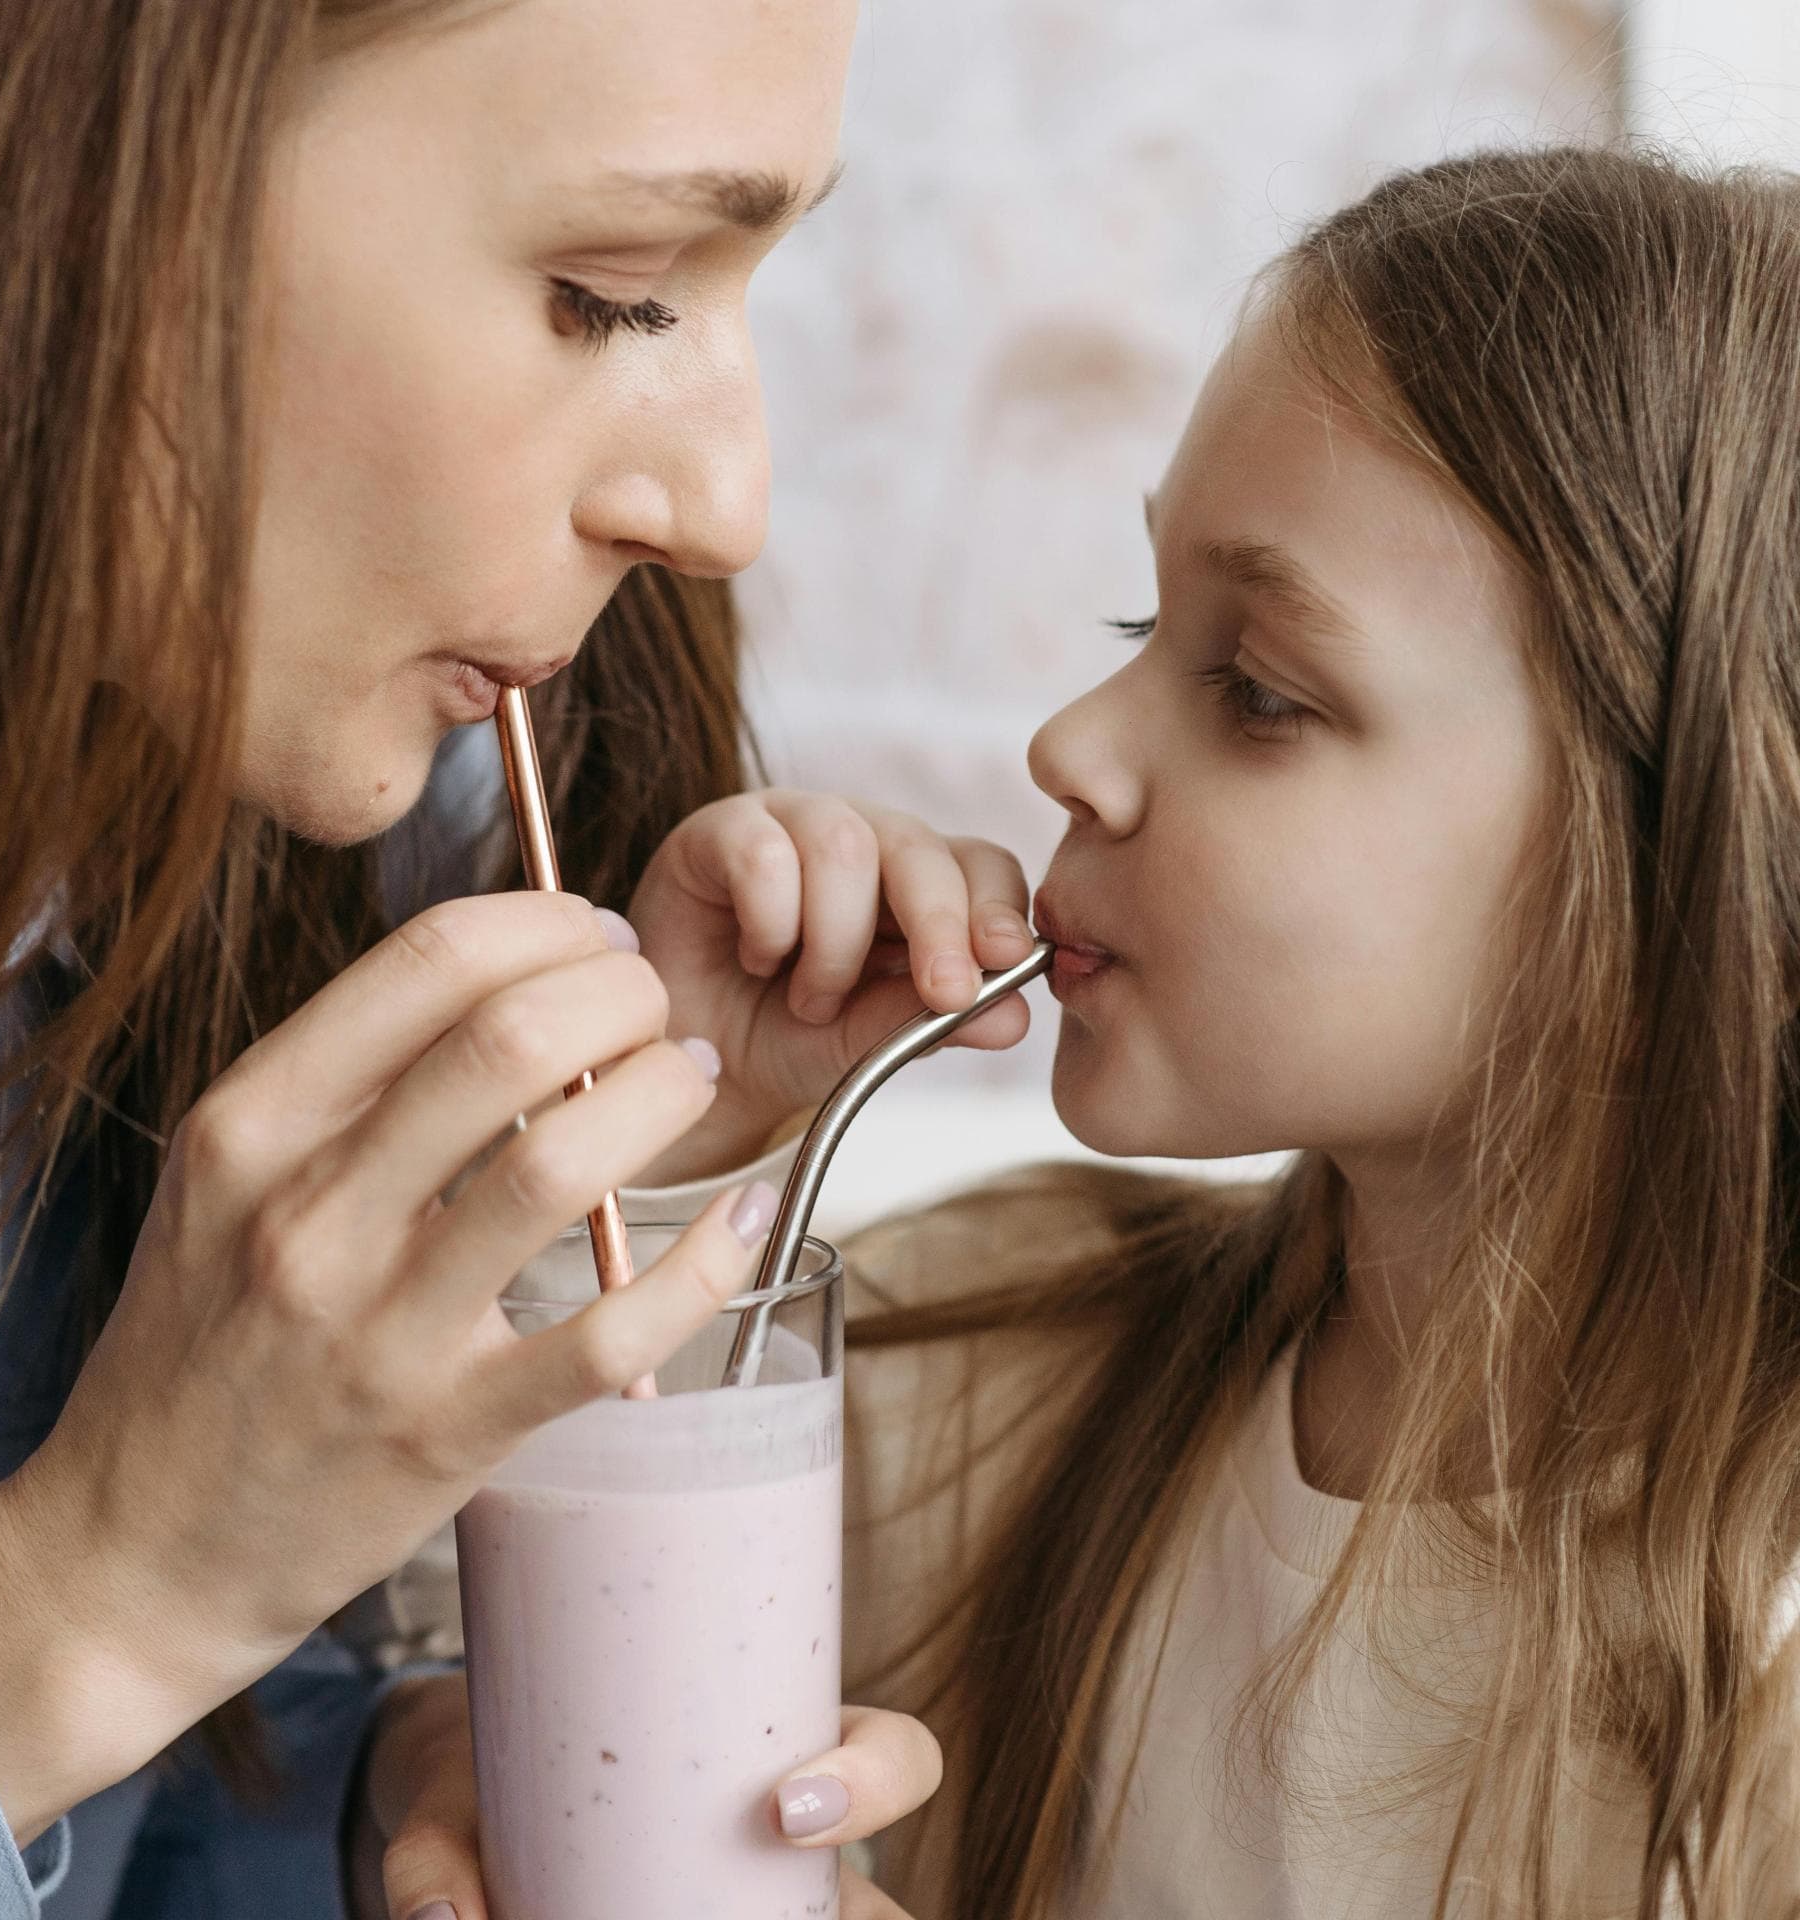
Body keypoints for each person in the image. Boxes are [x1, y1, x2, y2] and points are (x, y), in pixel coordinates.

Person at [383, 143, 1800, 1916]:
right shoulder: (1001, 1356)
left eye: (1259, 692)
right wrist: (677, 1132)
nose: (1069, 745)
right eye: (1147, 621)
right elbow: (416, 1628)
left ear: (1709, 867)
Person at [0, 2, 1035, 1915]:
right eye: (610, 292)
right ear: (80, 155)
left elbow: (113, 1829)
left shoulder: (307, 831)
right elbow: (69, 1637)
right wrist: (103, 1598)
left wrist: (379, 1796)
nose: (725, 510)